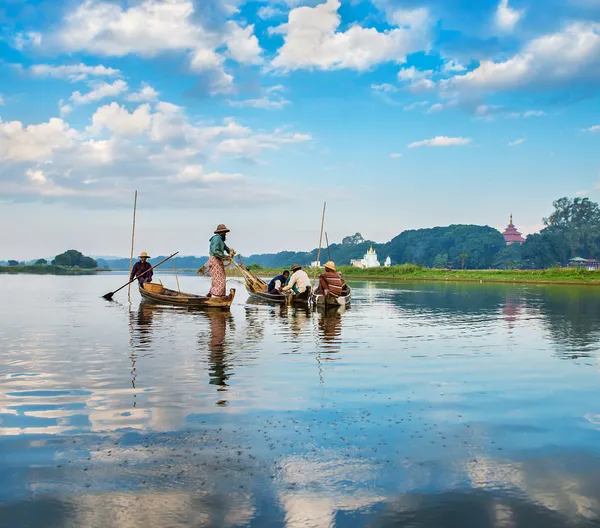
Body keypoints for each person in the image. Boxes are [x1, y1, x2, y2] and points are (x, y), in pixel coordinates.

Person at [207, 224, 235, 297]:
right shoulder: (216, 239)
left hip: (218, 260)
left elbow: (226, 248)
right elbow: (215, 251)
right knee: (220, 279)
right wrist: (225, 257)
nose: (225, 234)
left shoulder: (220, 240)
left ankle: (213, 294)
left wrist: (231, 251)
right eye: (224, 232)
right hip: (215, 260)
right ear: (220, 232)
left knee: (220, 278)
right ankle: (219, 296)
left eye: (225, 232)